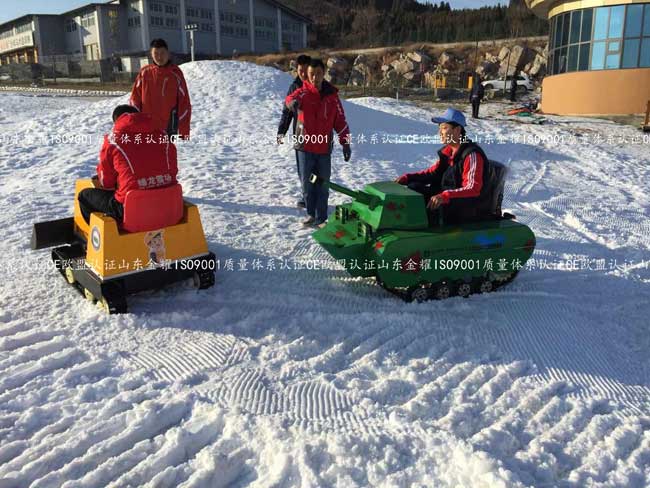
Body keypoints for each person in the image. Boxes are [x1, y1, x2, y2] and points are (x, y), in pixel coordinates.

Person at [77, 105, 179, 225]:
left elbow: (106, 182)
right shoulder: (163, 137)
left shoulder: (113, 140)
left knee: (84, 196)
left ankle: (103, 239)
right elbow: (173, 170)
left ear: (117, 120)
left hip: (131, 208)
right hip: (168, 204)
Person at [395, 108, 493, 225]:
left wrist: (445, 196)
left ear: (457, 130)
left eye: (444, 128)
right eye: (439, 128)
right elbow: (432, 173)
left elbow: (472, 188)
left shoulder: (471, 155)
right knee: (414, 188)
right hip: (448, 198)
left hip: (465, 207)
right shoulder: (448, 152)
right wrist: (407, 178)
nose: (440, 132)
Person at [285, 58, 352, 227]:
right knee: (308, 184)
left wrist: (346, 143)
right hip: (305, 147)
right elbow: (289, 100)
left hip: (323, 149)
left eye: (319, 74)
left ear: (324, 74)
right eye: (312, 74)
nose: (315, 78)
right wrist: (292, 104)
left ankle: (321, 217)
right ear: (307, 76)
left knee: (322, 184)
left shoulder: (332, 97)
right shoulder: (301, 93)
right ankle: (311, 214)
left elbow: (340, 121)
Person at [130, 38, 192, 139]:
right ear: (151, 54)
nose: (159, 57)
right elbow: (134, 99)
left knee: (165, 154)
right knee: (147, 154)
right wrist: (135, 122)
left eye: (162, 53)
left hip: (168, 128)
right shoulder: (144, 73)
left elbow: (184, 103)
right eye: (156, 53)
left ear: (168, 53)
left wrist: (183, 131)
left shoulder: (176, 74)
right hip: (146, 126)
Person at [277, 54, 311, 208]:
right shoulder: (294, 87)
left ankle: (316, 195)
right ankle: (306, 195)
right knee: (303, 168)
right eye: (300, 70)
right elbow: (287, 112)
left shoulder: (319, 86)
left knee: (317, 168)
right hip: (300, 135)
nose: (303, 73)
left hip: (319, 136)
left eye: (305, 70)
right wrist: (281, 131)